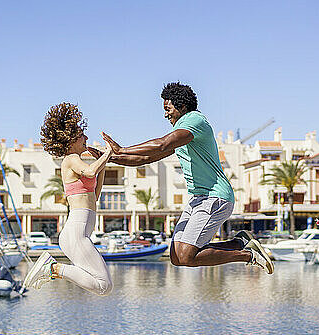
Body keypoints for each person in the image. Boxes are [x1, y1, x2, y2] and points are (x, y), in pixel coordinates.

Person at [88, 82, 274, 273]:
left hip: (214, 197)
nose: (165, 114)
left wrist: (122, 149)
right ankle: (240, 242)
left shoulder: (195, 121)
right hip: (198, 200)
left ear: (182, 106)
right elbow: (145, 157)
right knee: (177, 257)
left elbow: (161, 144)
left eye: (168, 109)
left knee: (186, 255)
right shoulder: (183, 135)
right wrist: (111, 157)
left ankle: (248, 255)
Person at [22, 102, 115, 295]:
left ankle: (55, 269)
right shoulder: (70, 159)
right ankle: (54, 268)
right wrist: (107, 153)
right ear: (70, 138)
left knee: (103, 286)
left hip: (79, 234)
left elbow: (94, 195)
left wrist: (104, 163)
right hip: (76, 234)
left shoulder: (76, 161)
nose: (86, 138)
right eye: (82, 134)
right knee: (104, 286)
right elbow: (90, 171)